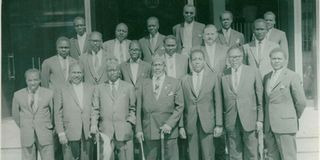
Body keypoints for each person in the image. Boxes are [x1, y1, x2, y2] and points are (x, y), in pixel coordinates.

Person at [136, 56, 184, 160]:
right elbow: (138, 109)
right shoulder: (143, 84)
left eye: (160, 65)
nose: (157, 68)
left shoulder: (175, 83)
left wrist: (169, 124)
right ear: (151, 67)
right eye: (154, 65)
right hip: (149, 130)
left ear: (164, 67)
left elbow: (180, 106)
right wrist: (139, 129)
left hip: (168, 131)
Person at [179, 49, 223, 160]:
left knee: (208, 154)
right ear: (190, 62)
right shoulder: (184, 80)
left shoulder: (213, 78)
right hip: (190, 123)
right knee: (193, 155)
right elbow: (181, 105)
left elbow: (218, 102)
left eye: (200, 59)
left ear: (204, 61)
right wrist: (181, 126)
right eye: (194, 59)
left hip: (208, 123)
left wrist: (219, 124)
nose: (197, 62)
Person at [221, 46, 263, 160]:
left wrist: (260, 119)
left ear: (242, 57)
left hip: (250, 119)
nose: (234, 59)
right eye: (231, 57)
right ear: (228, 58)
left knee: (252, 152)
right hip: (232, 119)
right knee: (234, 153)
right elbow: (221, 100)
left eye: (237, 57)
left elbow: (260, 97)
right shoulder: (224, 74)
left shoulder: (253, 71)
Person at [263, 48, 306, 160]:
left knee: (288, 157)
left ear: (285, 60)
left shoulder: (292, 76)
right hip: (269, 125)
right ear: (270, 60)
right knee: (272, 156)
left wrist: (291, 116)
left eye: (279, 58)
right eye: (273, 59)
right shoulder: (267, 77)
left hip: (285, 125)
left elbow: (301, 102)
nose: (276, 61)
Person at [91, 58, 136, 160]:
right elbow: (95, 109)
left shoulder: (128, 87)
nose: (112, 72)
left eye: (115, 70)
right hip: (106, 132)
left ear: (119, 71)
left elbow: (132, 108)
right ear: (106, 72)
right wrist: (94, 124)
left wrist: (129, 123)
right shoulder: (99, 88)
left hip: (124, 132)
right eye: (110, 70)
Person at [54, 63, 95, 160]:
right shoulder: (61, 89)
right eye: (74, 72)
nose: (76, 75)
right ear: (69, 73)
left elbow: (94, 109)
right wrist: (61, 133)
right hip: (69, 132)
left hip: (87, 132)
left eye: (79, 72)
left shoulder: (90, 88)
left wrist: (93, 124)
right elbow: (57, 113)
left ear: (83, 74)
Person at [12, 68, 55, 160]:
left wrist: (48, 126)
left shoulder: (48, 94)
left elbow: (53, 113)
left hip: (45, 132)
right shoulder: (18, 95)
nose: (33, 83)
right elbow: (16, 116)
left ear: (40, 80)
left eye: (35, 80)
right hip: (27, 133)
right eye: (30, 80)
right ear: (26, 80)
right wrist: (25, 126)